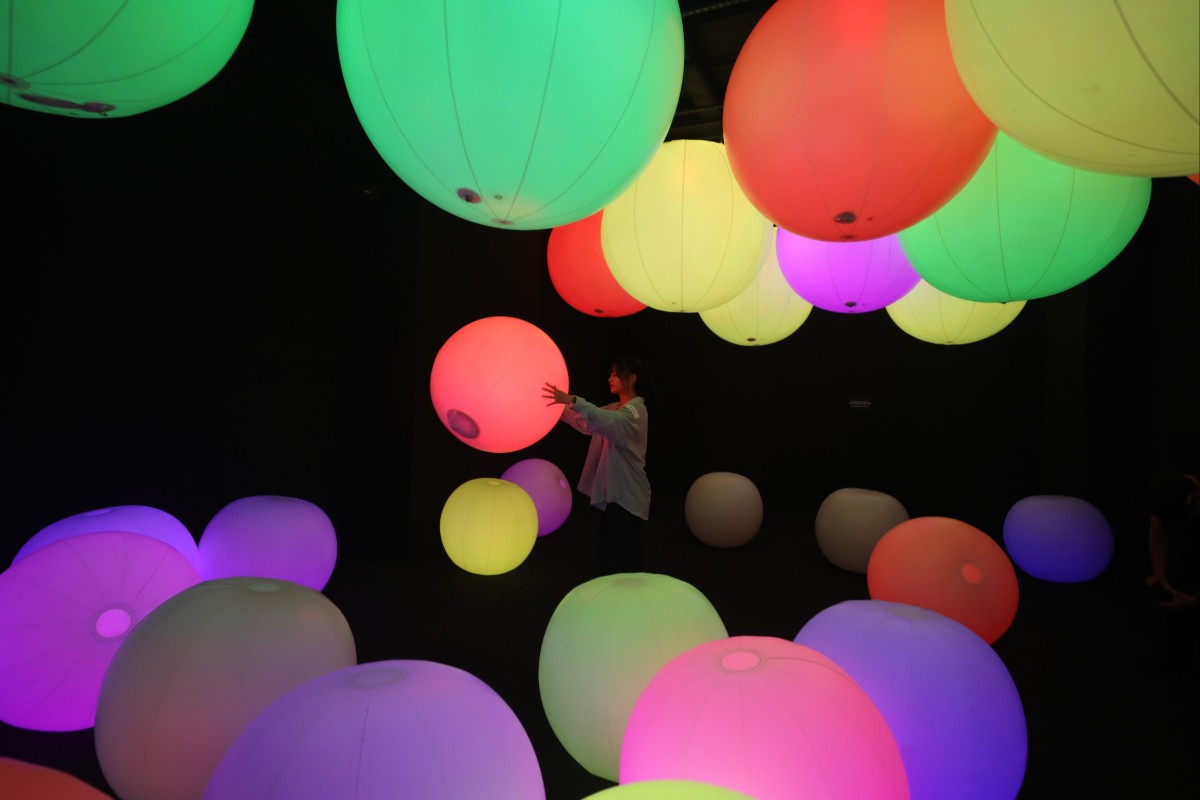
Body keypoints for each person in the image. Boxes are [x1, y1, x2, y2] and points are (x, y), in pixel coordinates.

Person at [543, 355, 652, 574]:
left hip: (628, 498)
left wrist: (572, 400)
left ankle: (632, 599)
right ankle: (613, 598)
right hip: (617, 497)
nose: (610, 377)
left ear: (631, 378)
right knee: (608, 552)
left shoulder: (634, 413)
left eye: (615, 373)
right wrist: (554, 408)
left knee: (624, 556)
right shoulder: (615, 408)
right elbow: (586, 422)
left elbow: (603, 420)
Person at [1143, 470, 1199, 667]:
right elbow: (1157, 532)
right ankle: (1177, 653)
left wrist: (1194, 602)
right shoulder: (1165, 491)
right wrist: (1161, 577)